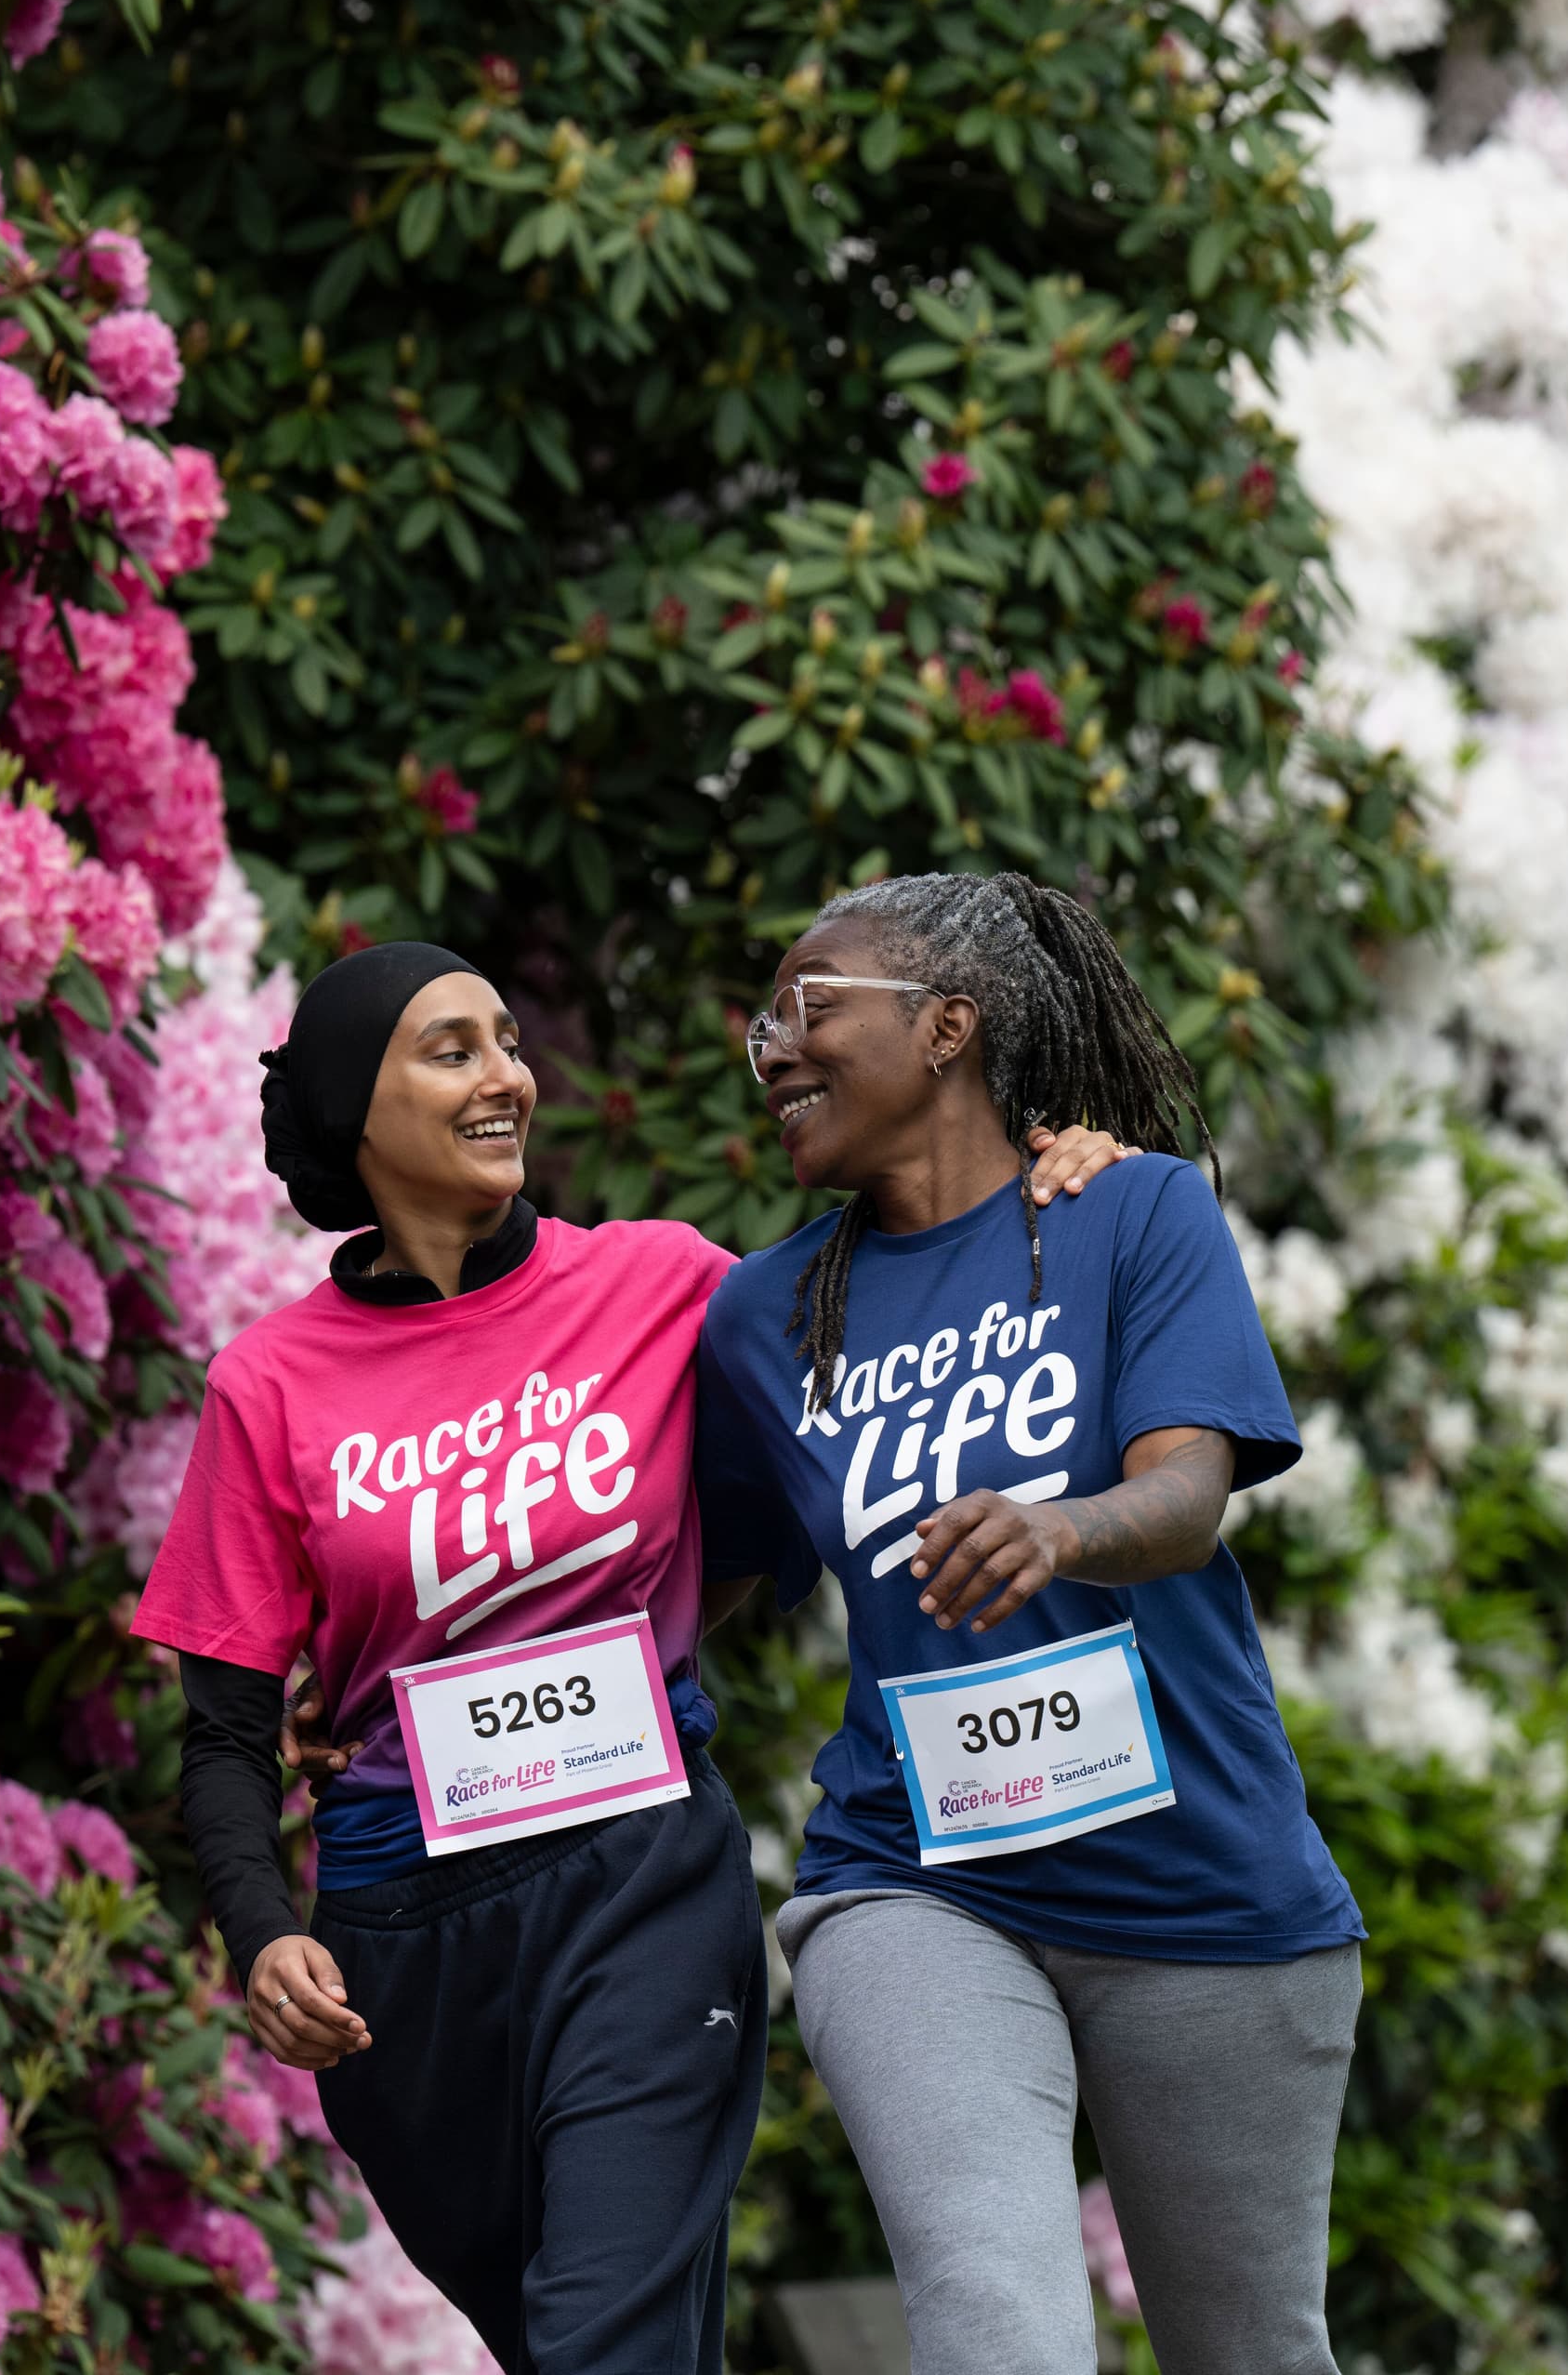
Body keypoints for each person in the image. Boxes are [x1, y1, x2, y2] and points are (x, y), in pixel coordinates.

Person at [134, 940, 1131, 2375]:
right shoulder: (270, 1383)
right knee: (583, 2347)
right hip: (403, 1952)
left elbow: (917, 1305)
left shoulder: (665, 1285)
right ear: (358, 1110)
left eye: (506, 1041)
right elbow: (225, 1734)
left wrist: (1056, 1184)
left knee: (606, 2342)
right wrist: (263, 1933)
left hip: (644, 1888)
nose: (507, 1077)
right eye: (452, 1049)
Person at [694, 872, 1364, 2375]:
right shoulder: (764, 1318)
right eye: (764, 1026)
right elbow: (693, 1585)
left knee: (1249, 2347)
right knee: (998, 2324)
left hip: (1203, 1893)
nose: (773, 1051)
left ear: (949, 1025)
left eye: (811, 1008)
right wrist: (409, 1689)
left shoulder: (1131, 1211)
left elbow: (1189, 1492)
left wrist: (1062, 1528)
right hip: (916, 1883)